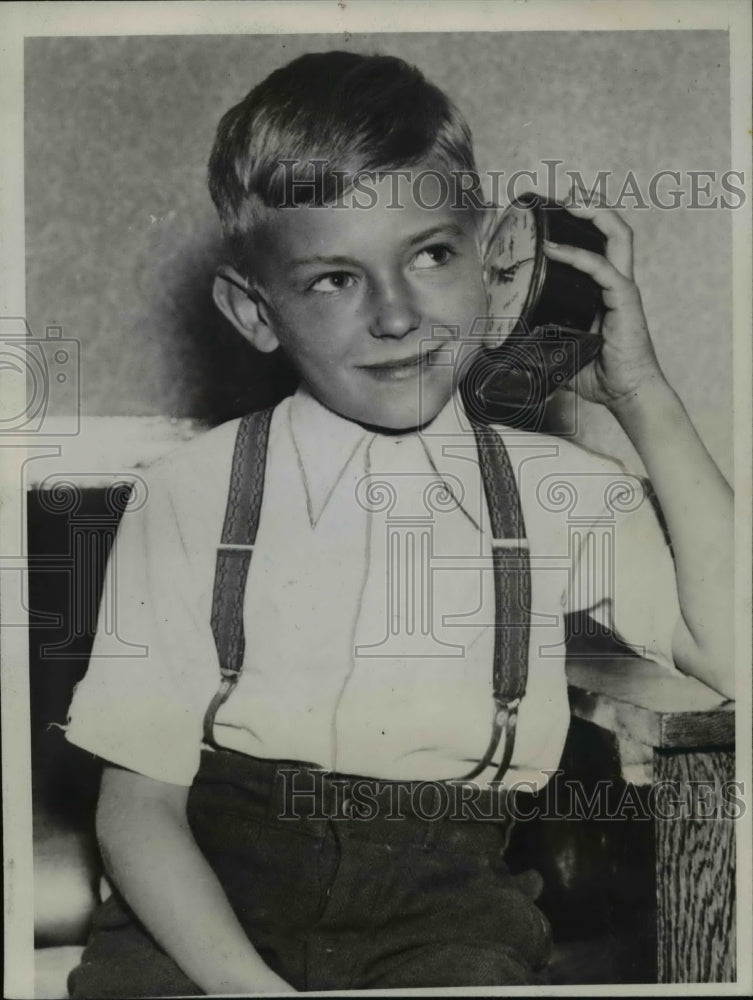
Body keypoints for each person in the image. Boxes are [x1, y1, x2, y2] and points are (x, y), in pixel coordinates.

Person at [64, 51, 733, 995]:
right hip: (200, 911)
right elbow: (137, 810)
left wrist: (640, 393)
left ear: (496, 261)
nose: (396, 315)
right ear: (254, 312)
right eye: (334, 279)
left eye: (430, 255)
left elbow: (733, 654)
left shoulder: (565, 491)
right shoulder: (187, 492)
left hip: (446, 917)